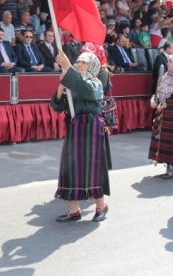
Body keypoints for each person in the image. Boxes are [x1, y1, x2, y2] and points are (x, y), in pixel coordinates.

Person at [51, 51, 110, 222]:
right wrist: (61, 87)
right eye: (78, 62)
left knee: (92, 167)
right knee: (70, 167)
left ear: (92, 65)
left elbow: (86, 90)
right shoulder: (73, 83)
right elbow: (56, 106)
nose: (80, 64)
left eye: (84, 62)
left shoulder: (95, 82)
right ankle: (74, 210)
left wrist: (68, 69)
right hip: (74, 126)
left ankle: (101, 205)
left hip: (91, 127)